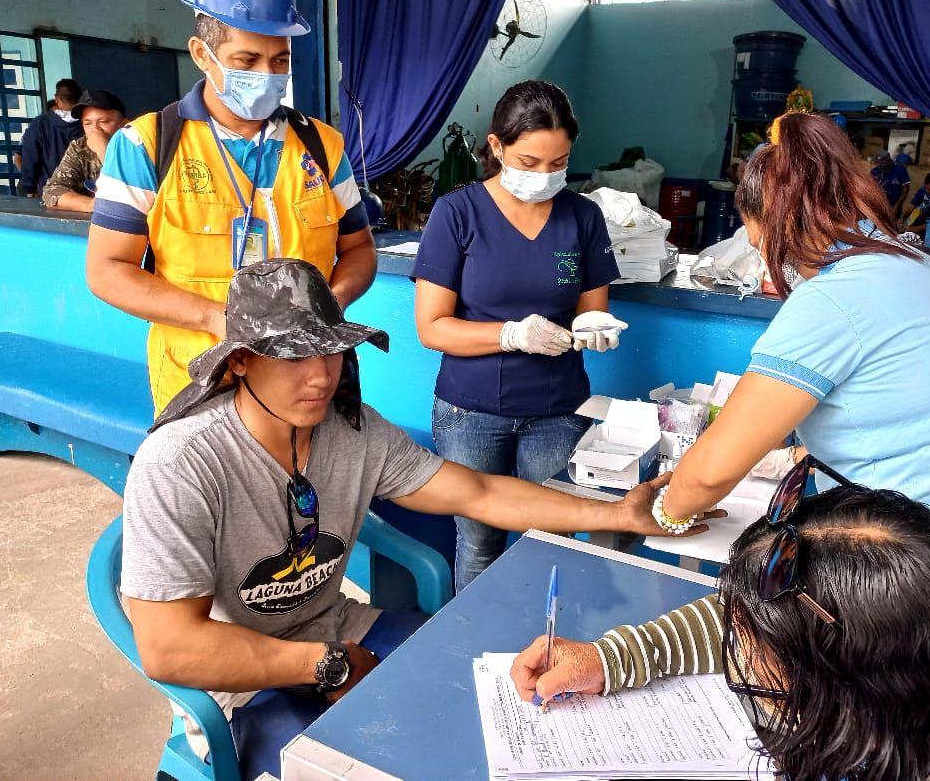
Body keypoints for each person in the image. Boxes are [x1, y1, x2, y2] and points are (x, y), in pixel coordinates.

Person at [123, 257, 707, 780]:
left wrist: (614, 513)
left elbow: (475, 492)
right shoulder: (182, 462)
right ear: (243, 361)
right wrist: (323, 665)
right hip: (241, 683)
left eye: (332, 350)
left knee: (478, 700)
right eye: (295, 356)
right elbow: (171, 647)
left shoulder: (351, 430)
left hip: (337, 628)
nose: (322, 375)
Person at [653, 113, 930, 631]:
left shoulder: (833, 300)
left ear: (779, 222)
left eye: (758, 242)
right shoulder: (923, 264)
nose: (765, 257)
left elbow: (707, 474)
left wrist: (666, 511)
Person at [512, 484, 930, 781]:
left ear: (850, 682)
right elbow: (738, 619)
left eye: (749, 642)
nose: (730, 642)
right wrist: (616, 657)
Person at [85, 0, 376, 414]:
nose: (268, 74)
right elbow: (106, 270)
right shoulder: (147, 146)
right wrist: (213, 318)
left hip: (307, 382)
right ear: (202, 53)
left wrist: (330, 304)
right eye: (246, 62)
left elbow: (359, 248)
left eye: (279, 60)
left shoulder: (322, 147)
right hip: (200, 381)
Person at [412, 81, 626, 591]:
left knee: (547, 542)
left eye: (558, 163)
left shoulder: (583, 216)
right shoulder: (456, 213)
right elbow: (431, 327)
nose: (544, 176)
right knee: (480, 542)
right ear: (497, 147)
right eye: (529, 163)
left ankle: (543, 653)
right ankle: (471, 653)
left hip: (557, 411)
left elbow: (593, 309)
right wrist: (510, 334)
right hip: (471, 413)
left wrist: (594, 329)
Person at [41, 89, 127, 213]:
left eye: (103, 122)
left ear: (124, 124)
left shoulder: (138, 146)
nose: (95, 130)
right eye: (87, 123)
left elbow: (134, 195)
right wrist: (93, 205)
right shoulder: (80, 147)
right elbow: (52, 191)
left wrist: (103, 152)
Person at [17, 78, 83, 197]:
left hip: (50, 193)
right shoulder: (89, 122)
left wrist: (28, 188)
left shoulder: (41, 123)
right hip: (84, 193)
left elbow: (30, 157)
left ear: (57, 99)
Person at [870, 149, 911, 217]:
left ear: (889, 160)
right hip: (879, 207)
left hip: (894, 206)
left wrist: (897, 205)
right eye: (878, 163)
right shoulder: (875, 171)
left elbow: (905, 188)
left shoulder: (900, 169)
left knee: (892, 225)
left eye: (883, 163)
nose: (881, 166)